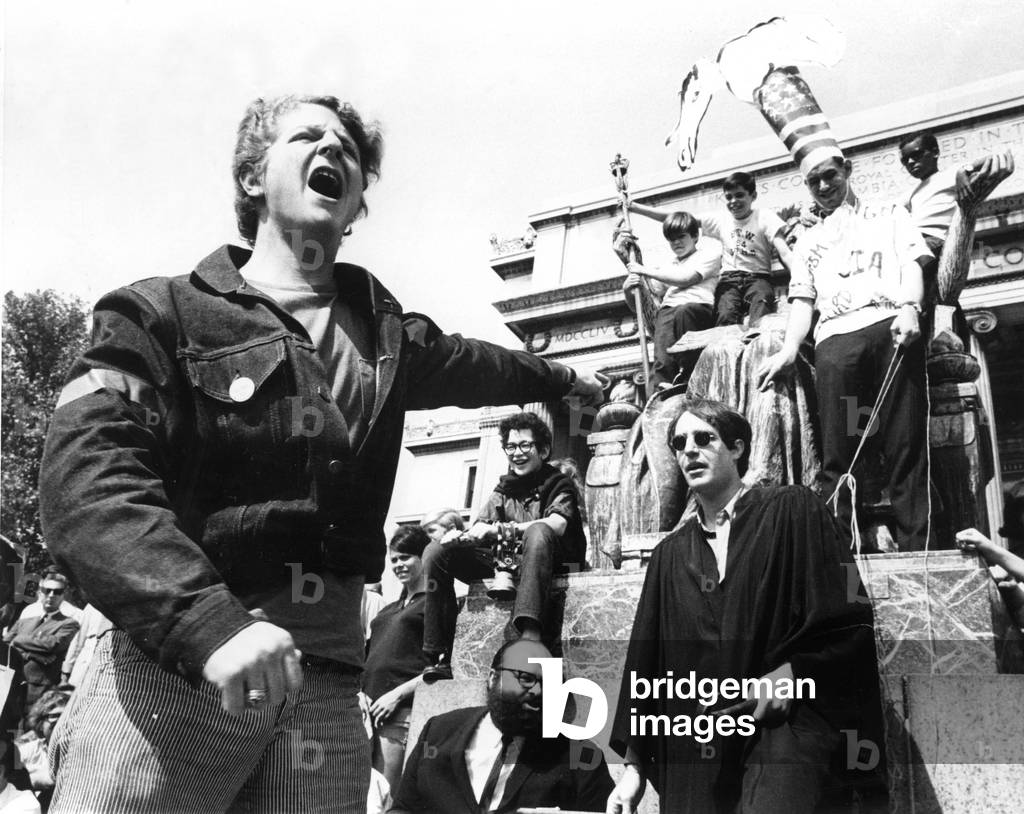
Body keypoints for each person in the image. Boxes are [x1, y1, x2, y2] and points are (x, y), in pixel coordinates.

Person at [37, 93, 605, 814]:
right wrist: (205, 624)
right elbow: (87, 484)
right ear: (251, 177)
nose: (332, 151)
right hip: (174, 680)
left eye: (350, 151)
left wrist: (569, 378)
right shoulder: (159, 315)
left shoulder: (391, 336)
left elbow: (488, 366)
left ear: (359, 201)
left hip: (328, 695)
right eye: (307, 136)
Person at [607, 399, 877, 814]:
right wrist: (634, 769)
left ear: (736, 448)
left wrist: (792, 675)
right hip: (693, 744)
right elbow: (645, 665)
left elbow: (850, 619)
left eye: (704, 438)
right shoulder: (668, 556)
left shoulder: (794, 509)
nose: (689, 451)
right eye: (679, 444)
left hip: (782, 730)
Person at [756, 154, 933, 552]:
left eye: (829, 176)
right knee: (841, 450)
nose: (823, 187)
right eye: (812, 181)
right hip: (836, 339)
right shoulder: (808, 241)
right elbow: (802, 299)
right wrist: (787, 349)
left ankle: (916, 547)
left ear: (848, 169)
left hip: (889, 325)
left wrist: (909, 306)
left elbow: (912, 263)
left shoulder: (889, 213)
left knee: (904, 441)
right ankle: (841, 553)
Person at [420, 412, 587, 680]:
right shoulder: (503, 489)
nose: (516, 453)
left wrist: (499, 530)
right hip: (510, 564)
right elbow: (479, 528)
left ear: (543, 450)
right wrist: (457, 537)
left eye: (524, 446)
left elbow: (557, 525)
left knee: (539, 531)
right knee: (436, 551)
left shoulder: (558, 483)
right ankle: (438, 654)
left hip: (554, 561)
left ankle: (531, 638)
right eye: (510, 446)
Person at [391, 638, 614, 813]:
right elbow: (404, 809)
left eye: (549, 684)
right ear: (492, 678)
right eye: (525, 678)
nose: (538, 691)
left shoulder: (581, 757)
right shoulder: (439, 731)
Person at [629, 172, 795, 328]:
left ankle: (757, 340)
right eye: (729, 197)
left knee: (762, 305)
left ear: (753, 196)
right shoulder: (721, 219)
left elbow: (785, 252)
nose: (733, 201)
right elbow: (677, 219)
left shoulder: (764, 216)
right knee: (725, 312)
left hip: (758, 277)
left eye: (739, 195)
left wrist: (798, 276)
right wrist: (635, 207)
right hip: (730, 279)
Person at [612, 211, 721, 389]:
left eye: (681, 237)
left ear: (695, 236)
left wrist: (644, 270)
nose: (676, 243)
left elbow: (686, 278)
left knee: (684, 313)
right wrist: (629, 287)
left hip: (698, 310)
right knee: (662, 350)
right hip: (670, 311)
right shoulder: (668, 266)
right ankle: (660, 388)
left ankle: (690, 377)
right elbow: (645, 298)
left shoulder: (709, 255)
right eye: (671, 239)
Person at [364, 526, 431, 795]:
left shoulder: (433, 605)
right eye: (394, 559)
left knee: (386, 797)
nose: (398, 564)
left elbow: (440, 666)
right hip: (366, 713)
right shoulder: (389, 609)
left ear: (423, 557)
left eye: (406, 557)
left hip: (397, 714)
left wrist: (396, 695)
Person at [2, 575, 78, 712]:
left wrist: (19, 640)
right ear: (40, 592)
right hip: (10, 681)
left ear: (64, 595)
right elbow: (6, 645)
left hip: (39, 686)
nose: (51, 595)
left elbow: (52, 645)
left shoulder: (69, 624)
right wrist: (35, 655)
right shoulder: (26, 620)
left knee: (28, 728)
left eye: (57, 592)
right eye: (47, 590)